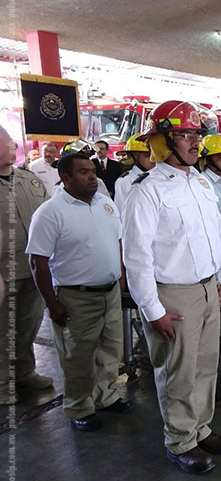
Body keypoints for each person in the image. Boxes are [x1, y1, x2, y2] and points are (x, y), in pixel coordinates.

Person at [123, 100, 221, 474]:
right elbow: (136, 257)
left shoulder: (200, 182)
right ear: (164, 139)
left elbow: (215, 233)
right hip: (173, 293)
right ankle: (180, 440)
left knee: (205, 366)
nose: (195, 142)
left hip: (207, 289)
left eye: (196, 134)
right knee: (177, 372)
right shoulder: (146, 191)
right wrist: (152, 309)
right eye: (185, 134)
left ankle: (200, 429)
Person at [26, 151, 131, 432]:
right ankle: (79, 406)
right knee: (78, 356)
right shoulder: (50, 212)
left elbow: (117, 242)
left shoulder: (105, 203)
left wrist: (120, 276)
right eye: (84, 172)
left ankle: (105, 395)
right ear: (66, 177)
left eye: (93, 171)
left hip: (109, 292)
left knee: (111, 350)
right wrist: (52, 304)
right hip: (76, 296)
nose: (92, 177)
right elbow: (38, 262)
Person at [0, 125, 53, 406]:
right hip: (3, 272)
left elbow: (49, 218)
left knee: (28, 324)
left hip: (33, 268)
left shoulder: (30, 181)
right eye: (4, 142)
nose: (11, 145)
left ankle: (24, 373)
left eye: (11, 141)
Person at [114, 134, 155, 217]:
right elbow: (121, 212)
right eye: (147, 155)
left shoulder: (159, 177)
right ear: (135, 156)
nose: (152, 159)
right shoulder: (125, 181)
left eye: (154, 154)